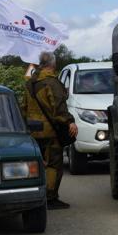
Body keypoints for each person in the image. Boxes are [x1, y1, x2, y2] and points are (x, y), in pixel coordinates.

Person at [22, 51, 77, 209]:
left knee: (37, 165)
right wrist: (70, 122)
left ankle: (34, 195)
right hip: (49, 132)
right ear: (53, 64)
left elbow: (24, 107)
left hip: (32, 130)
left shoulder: (29, 83)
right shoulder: (52, 83)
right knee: (53, 164)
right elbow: (59, 108)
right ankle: (50, 198)